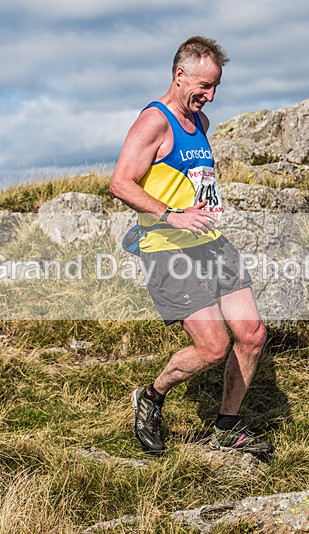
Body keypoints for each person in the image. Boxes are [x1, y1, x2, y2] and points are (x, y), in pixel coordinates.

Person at [110, 36, 271, 456]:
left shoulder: (200, 123)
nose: (211, 96)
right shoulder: (153, 122)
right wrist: (172, 214)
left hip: (210, 243)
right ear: (179, 75)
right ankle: (152, 395)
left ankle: (226, 427)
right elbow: (120, 182)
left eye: (216, 87)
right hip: (167, 246)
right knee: (213, 347)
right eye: (204, 86)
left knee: (252, 334)